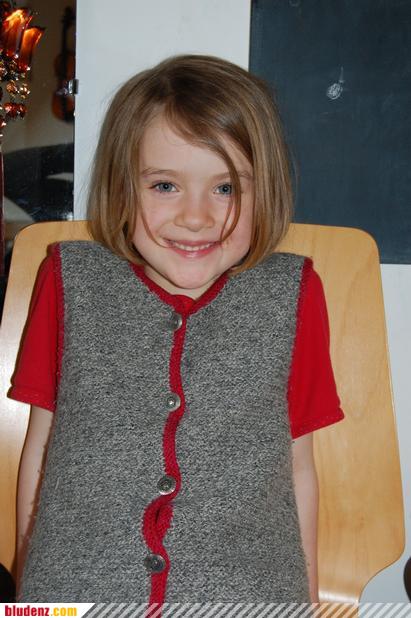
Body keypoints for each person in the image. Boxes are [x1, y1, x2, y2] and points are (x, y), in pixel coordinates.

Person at [9, 54, 344, 606]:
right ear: (122, 188)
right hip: (80, 590)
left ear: (266, 192)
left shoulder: (293, 294)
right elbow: (42, 446)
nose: (196, 217)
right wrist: (32, 597)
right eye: (165, 185)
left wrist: (302, 602)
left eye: (227, 189)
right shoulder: (68, 281)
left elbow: (299, 468)